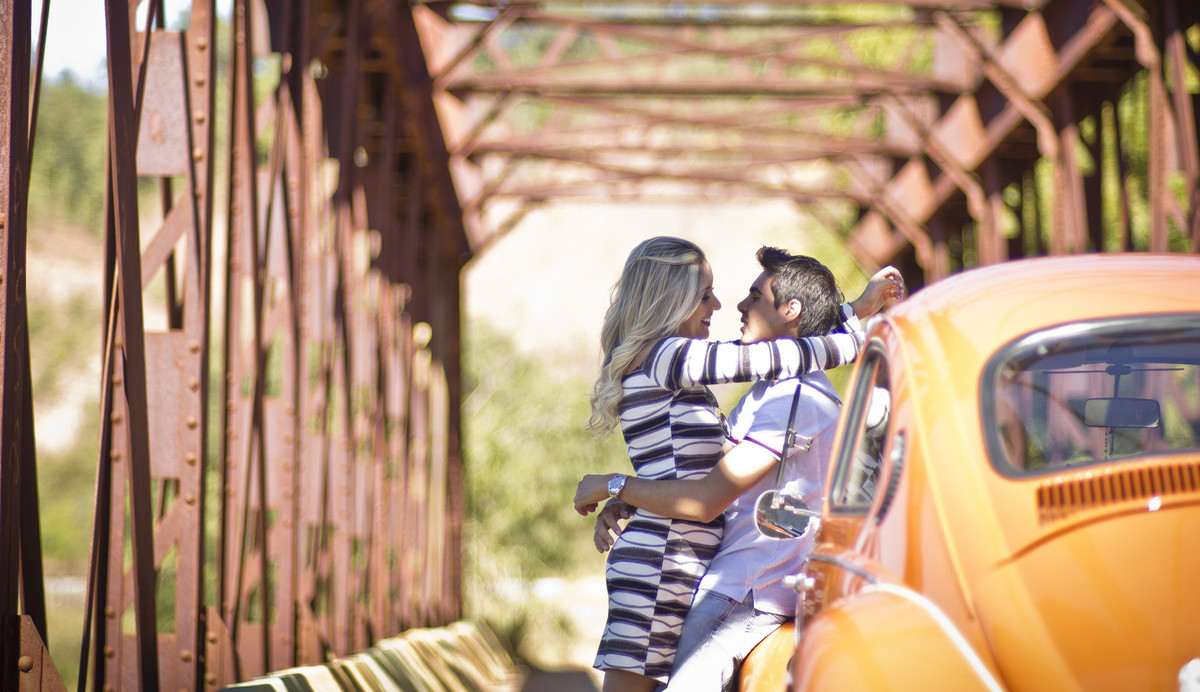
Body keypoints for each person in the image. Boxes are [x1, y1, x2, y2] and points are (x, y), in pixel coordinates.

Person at [576, 246, 905, 691]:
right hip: (668, 564)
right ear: (671, 298)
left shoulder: (776, 391)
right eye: (705, 294)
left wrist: (622, 492)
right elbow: (787, 350)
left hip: (707, 572)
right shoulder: (674, 357)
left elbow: (695, 483)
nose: (724, 304)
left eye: (750, 296)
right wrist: (857, 327)